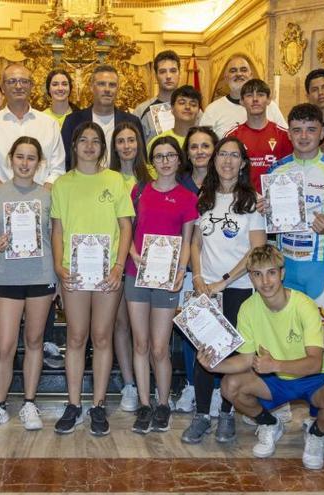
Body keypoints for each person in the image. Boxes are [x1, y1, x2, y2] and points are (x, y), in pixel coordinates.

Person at [200, 245, 324, 470]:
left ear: (282, 273)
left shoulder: (305, 306)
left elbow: (315, 363)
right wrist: (214, 366)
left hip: (312, 377)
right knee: (230, 386)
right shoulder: (248, 308)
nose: (265, 281)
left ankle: (316, 435)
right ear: (250, 277)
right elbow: (246, 359)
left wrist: (275, 364)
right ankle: (270, 424)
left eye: (271, 272)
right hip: (275, 378)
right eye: (257, 274)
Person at [181, 136, 267, 445]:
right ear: (215, 160)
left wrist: (224, 281)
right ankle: (203, 415)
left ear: (243, 163)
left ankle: (227, 415)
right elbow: (195, 241)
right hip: (207, 288)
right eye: (223, 155)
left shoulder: (251, 201)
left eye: (234, 156)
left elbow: (257, 250)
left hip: (239, 288)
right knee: (205, 353)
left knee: (230, 354)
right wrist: (199, 277)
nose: (227, 161)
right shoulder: (204, 197)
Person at [51, 122, 134, 436]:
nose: (89, 145)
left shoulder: (114, 180)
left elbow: (125, 227)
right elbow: (57, 229)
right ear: (74, 145)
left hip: (106, 273)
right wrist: (59, 267)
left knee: (102, 337)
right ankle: (73, 404)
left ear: (103, 147)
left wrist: (118, 265)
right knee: (75, 337)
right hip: (73, 272)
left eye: (95, 141)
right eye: (83, 140)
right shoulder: (62, 184)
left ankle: (98, 404)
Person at [0, 137, 56, 432]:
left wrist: (57, 278)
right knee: (6, 345)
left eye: (31, 158)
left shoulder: (49, 196)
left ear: (39, 163)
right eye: (20, 157)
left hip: (41, 276)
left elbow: (56, 238)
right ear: (11, 159)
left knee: (34, 342)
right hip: (8, 277)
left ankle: (29, 403)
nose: (25, 163)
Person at [126, 136, 197, 434]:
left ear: (179, 160)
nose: (165, 161)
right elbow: (125, 230)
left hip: (168, 278)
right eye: (159, 156)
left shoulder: (188, 197)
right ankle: (144, 404)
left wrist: (181, 270)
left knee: (159, 347)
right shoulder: (139, 191)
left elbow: (189, 240)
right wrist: (134, 255)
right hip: (135, 273)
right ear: (151, 161)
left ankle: (163, 403)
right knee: (140, 343)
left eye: (170, 155)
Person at [267, 103, 324, 320]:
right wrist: (263, 211)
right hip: (284, 267)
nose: (304, 136)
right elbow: (267, 230)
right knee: (288, 336)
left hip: (322, 268)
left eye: (311, 129)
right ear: (289, 134)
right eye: (297, 130)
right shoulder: (275, 171)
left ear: (323, 132)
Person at [171, 126, 218, 414]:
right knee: (192, 330)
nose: (200, 152)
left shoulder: (225, 181)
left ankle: (213, 390)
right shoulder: (177, 183)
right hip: (187, 270)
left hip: (219, 271)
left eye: (206, 146)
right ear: (187, 152)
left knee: (216, 332)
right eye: (194, 147)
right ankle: (191, 385)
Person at [109, 121, 149, 411]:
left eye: (131, 140)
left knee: (144, 328)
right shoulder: (106, 178)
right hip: (115, 258)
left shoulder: (155, 175)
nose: (126, 146)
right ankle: (129, 384)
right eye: (120, 141)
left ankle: (149, 380)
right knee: (121, 324)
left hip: (148, 261)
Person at [0, 63, 65, 191]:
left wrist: (39, 197)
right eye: (12, 81)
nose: (18, 86)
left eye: (24, 81)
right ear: (2, 87)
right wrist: (10, 198)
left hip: (42, 201)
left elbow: (58, 170)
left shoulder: (49, 124)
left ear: (31, 85)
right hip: (2, 203)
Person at [61, 65, 143, 168]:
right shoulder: (72, 121)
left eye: (112, 85)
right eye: (101, 84)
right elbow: (64, 160)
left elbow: (141, 160)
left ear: (118, 89)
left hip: (122, 181)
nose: (107, 89)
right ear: (91, 87)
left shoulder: (132, 122)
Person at [226, 79, 292, 191]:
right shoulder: (232, 136)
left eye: (260, 95)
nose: (255, 99)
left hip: (275, 202)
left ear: (269, 100)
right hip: (242, 201)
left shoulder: (284, 135)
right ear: (241, 101)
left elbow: (293, 169)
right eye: (249, 95)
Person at [199, 54, 286, 139]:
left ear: (251, 75)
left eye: (243, 70)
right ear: (226, 77)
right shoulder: (213, 109)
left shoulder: (269, 106)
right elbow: (203, 142)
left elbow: (285, 137)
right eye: (233, 71)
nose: (239, 74)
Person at [134, 50, 183, 143]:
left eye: (173, 71)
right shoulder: (141, 111)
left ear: (179, 73)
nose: (168, 76)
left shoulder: (192, 109)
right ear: (155, 76)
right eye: (162, 71)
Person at [147, 85, 201, 152]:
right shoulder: (158, 142)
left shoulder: (206, 141)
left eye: (193, 104)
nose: (187, 107)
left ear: (199, 111)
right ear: (172, 109)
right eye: (182, 103)